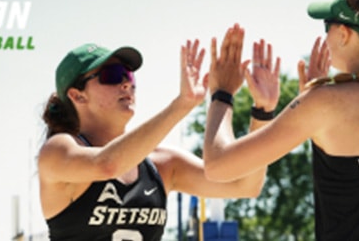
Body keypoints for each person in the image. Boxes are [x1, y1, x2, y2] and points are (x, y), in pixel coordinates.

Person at [202, 0, 359, 240]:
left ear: (345, 34)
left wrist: (222, 94)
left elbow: (217, 165)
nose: (325, 36)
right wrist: (311, 102)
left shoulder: (328, 103)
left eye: (328, 25)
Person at [37, 40, 273, 241]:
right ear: (77, 95)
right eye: (112, 76)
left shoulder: (163, 163)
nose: (126, 83)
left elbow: (245, 185)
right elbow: (106, 165)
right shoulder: (58, 151)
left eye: (128, 75)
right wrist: (183, 104)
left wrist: (255, 110)